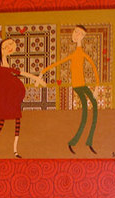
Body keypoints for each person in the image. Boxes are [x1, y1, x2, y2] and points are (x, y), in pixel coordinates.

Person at [0, 38, 46, 158]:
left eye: (10, 45)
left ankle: (15, 151)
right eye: (5, 47)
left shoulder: (8, 68)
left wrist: (38, 79)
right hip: (4, 100)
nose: (9, 48)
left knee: (16, 122)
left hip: (12, 100)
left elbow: (23, 73)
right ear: (1, 50)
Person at [40, 25, 100, 154]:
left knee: (94, 106)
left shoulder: (81, 53)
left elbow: (94, 68)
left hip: (83, 85)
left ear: (83, 37)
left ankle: (88, 141)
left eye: (79, 33)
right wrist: (43, 72)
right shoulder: (74, 55)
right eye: (75, 32)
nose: (76, 34)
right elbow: (58, 63)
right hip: (77, 86)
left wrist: (96, 87)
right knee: (86, 111)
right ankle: (75, 142)